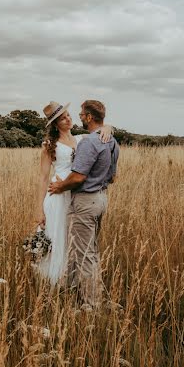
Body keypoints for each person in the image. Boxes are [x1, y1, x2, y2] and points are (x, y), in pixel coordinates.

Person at [48, 100, 119, 309]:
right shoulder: (112, 141)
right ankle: (70, 290)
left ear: (89, 117)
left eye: (81, 113)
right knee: (86, 249)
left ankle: (91, 304)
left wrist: (61, 187)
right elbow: (113, 176)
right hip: (101, 198)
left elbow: (78, 177)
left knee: (85, 254)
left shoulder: (89, 142)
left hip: (86, 201)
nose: (78, 116)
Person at [34, 101, 112, 285]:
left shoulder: (80, 139)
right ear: (55, 124)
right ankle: (54, 280)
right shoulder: (49, 145)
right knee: (57, 233)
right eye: (62, 118)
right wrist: (38, 210)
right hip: (57, 193)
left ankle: (73, 279)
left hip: (75, 192)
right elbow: (43, 178)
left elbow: (100, 128)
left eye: (68, 115)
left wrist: (108, 127)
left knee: (72, 236)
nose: (68, 119)